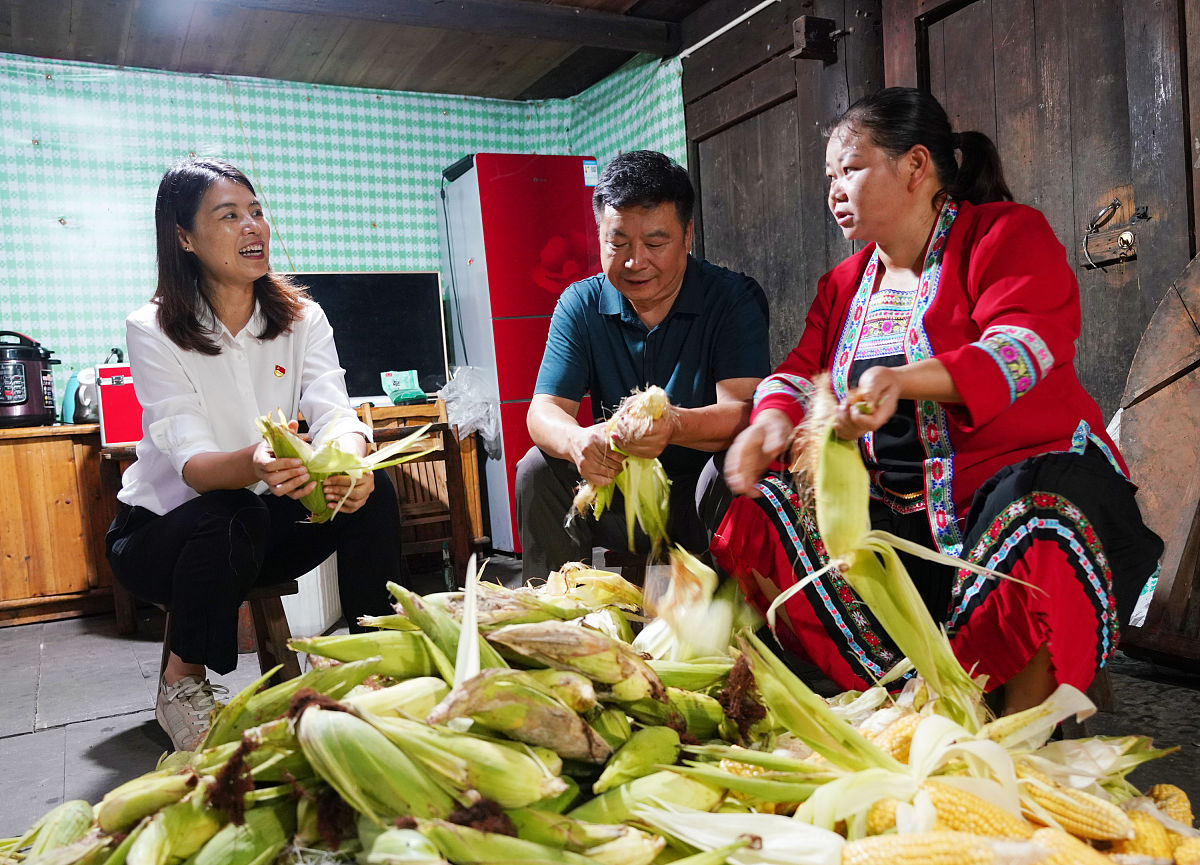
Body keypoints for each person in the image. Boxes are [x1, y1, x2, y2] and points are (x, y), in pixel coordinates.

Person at [713, 88, 1162, 713]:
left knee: (1036, 518)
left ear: (916, 165)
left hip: (1004, 495)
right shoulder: (843, 285)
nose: (835, 190)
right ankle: (906, 705)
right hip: (900, 521)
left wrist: (904, 381)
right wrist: (765, 429)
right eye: (829, 178)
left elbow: (1024, 344)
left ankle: (1024, 741)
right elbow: (794, 377)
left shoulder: (1003, 234)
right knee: (762, 508)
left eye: (851, 169)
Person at [106, 158, 403, 751]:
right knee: (228, 508)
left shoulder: (301, 317)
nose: (254, 227)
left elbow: (333, 408)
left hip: (263, 528)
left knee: (375, 493)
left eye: (257, 212)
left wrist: (348, 461)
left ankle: (376, 659)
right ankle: (181, 683)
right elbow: (193, 464)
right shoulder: (154, 328)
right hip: (164, 538)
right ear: (184, 238)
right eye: (230, 215)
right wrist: (259, 463)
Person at [517, 150, 770, 582]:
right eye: (618, 244)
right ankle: (558, 619)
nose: (636, 262)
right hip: (616, 496)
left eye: (655, 243)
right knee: (537, 470)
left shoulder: (731, 298)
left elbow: (746, 413)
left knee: (733, 468)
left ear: (688, 236)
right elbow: (542, 412)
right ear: (599, 237)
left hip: (699, 498)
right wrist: (577, 440)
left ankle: (728, 626)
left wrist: (674, 426)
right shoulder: (580, 304)